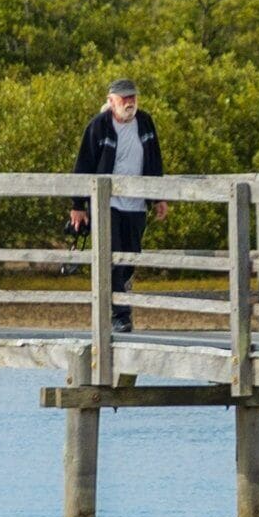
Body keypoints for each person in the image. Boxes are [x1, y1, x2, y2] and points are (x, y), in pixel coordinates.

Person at [67, 79, 165, 330]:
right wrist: (78, 205)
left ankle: (118, 311)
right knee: (112, 256)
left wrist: (159, 196)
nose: (129, 102)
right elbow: (84, 164)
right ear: (111, 101)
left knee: (130, 257)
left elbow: (154, 159)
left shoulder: (145, 122)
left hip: (137, 204)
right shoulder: (99, 126)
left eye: (132, 97)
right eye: (124, 98)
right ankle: (120, 317)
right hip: (106, 204)